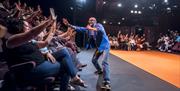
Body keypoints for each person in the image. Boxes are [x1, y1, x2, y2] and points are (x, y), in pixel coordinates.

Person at [63, 17, 111, 89]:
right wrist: (69, 25)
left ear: (95, 21)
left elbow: (100, 31)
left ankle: (107, 82)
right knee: (94, 60)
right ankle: (100, 70)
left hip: (105, 46)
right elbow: (78, 28)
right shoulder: (88, 29)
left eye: (92, 20)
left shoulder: (98, 25)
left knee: (104, 62)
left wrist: (90, 28)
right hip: (99, 48)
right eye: (90, 20)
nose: (91, 21)